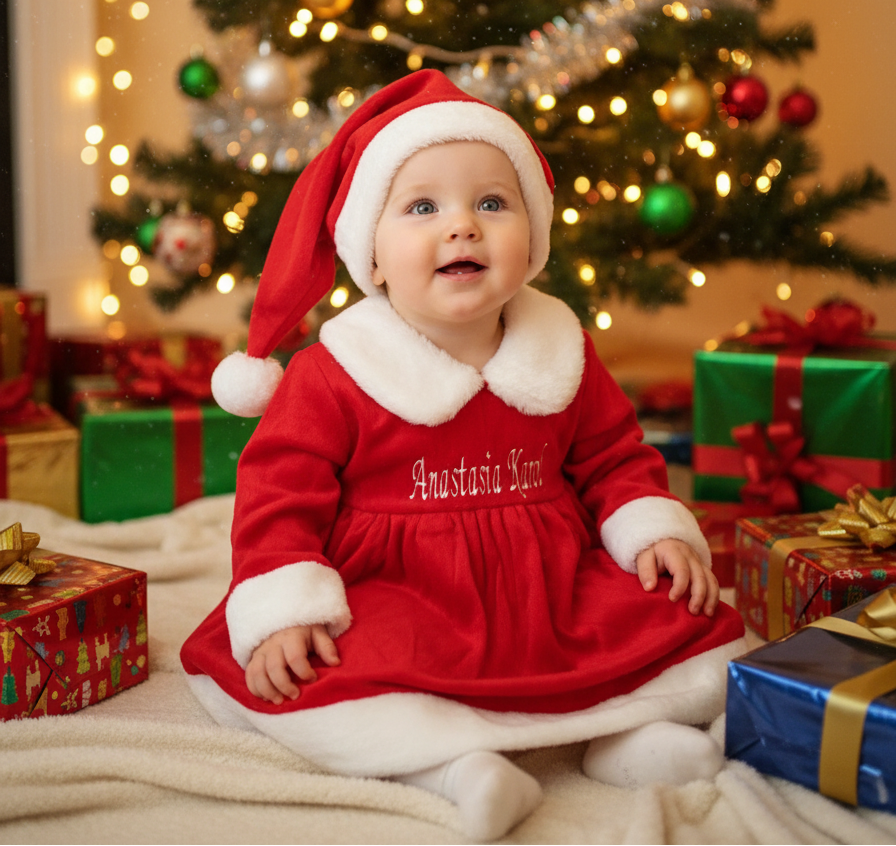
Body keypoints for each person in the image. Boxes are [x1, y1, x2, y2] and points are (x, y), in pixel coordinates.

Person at [181, 70, 746, 841]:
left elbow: (614, 455)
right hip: (402, 586)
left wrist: (652, 531)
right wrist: (283, 604)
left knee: (679, 617)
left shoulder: (561, 350)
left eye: (491, 202)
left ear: (533, 238)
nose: (463, 227)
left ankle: (624, 739)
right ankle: (455, 769)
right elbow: (280, 494)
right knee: (327, 673)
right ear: (370, 256)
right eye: (422, 207)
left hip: (548, 581)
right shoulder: (335, 370)